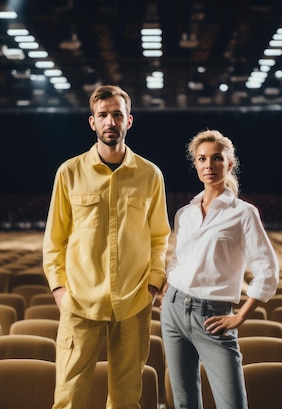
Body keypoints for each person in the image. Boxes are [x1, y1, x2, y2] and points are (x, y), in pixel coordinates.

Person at [42, 84, 170, 409]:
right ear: (92, 122)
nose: (110, 122)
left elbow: (160, 237)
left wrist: (152, 286)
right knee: (68, 398)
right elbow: (54, 239)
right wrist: (60, 290)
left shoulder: (150, 175)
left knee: (127, 400)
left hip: (133, 302)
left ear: (129, 121)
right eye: (103, 115)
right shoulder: (69, 173)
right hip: (79, 302)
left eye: (117, 114)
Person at [161, 129, 280, 409]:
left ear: (229, 163)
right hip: (173, 310)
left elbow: (267, 270)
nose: (208, 165)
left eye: (216, 158)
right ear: (196, 165)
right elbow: (179, 258)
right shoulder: (185, 213)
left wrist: (240, 317)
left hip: (213, 316)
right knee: (184, 402)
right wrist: (169, 283)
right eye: (202, 159)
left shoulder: (243, 213)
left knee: (232, 404)